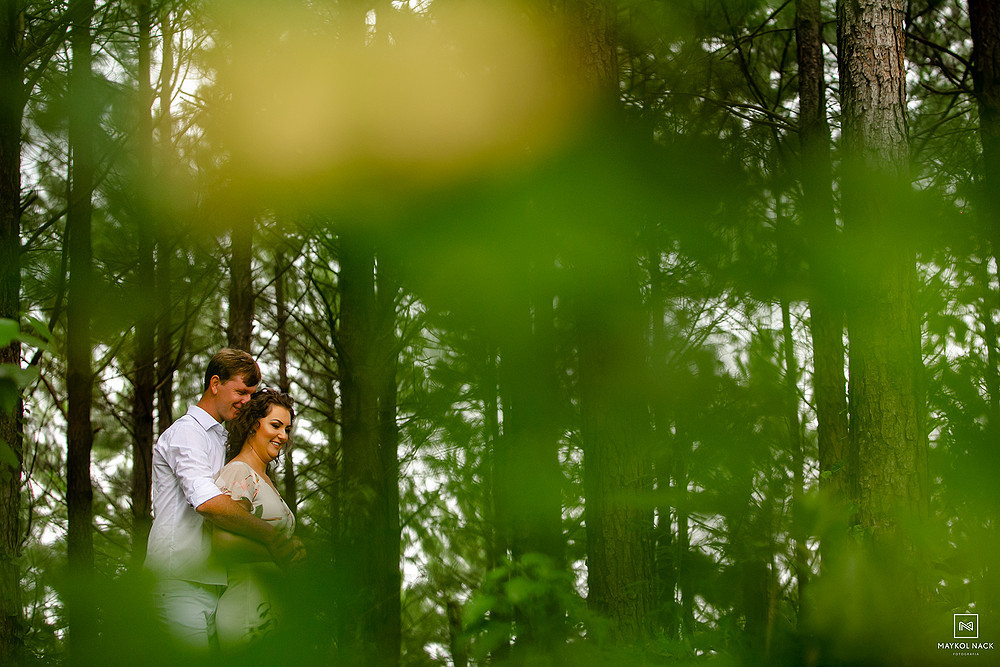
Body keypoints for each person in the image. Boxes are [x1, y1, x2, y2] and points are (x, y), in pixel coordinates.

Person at [145, 348, 301, 648]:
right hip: (178, 581)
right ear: (215, 384)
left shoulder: (218, 438)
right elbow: (207, 502)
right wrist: (271, 537)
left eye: (251, 393)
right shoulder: (187, 433)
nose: (246, 401)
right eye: (241, 391)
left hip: (213, 584)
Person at [211, 388, 300, 646]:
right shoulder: (239, 472)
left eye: (287, 429)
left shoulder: (264, 480)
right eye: (276, 425)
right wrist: (281, 550)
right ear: (252, 424)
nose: (283, 435)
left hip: (270, 611)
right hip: (247, 610)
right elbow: (222, 544)